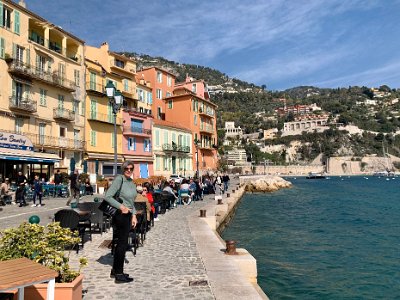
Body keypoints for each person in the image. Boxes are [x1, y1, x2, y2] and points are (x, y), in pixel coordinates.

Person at [105, 161, 138, 283]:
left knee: (122, 243)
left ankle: (115, 270)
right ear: (122, 169)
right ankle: (119, 274)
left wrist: (133, 215)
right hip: (120, 215)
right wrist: (121, 207)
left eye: (131, 168)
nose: (129, 170)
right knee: (122, 244)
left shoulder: (131, 182)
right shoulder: (120, 179)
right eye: (126, 168)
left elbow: (131, 202)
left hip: (128, 215)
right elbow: (108, 196)